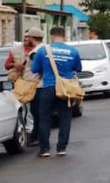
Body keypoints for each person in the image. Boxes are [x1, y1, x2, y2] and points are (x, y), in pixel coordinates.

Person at [30, 26, 82, 158]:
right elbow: (78, 68)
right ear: (64, 36)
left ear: (51, 36)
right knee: (65, 117)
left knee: (44, 118)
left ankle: (45, 149)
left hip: (48, 87)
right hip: (66, 88)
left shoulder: (43, 50)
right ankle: (61, 148)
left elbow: (35, 69)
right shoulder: (73, 51)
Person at [5, 28, 44, 145]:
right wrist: (15, 65)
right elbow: (7, 65)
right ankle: (27, 132)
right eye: (25, 37)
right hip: (21, 85)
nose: (26, 39)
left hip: (37, 85)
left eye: (29, 37)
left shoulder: (39, 50)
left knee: (36, 111)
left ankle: (35, 134)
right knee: (22, 108)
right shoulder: (16, 49)